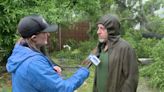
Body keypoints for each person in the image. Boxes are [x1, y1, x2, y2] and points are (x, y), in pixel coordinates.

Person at [6, 14, 90, 92]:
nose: (48, 34)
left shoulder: (21, 51)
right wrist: (83, 72)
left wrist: (49, 69)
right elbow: (63, 88)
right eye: (45, 32)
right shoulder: (34, 63)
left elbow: (32, 77)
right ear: (34, 38)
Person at [92, 14, 139, 92]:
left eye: (102, 28)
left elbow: (131, 79)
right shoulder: (101, 46)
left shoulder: (125, 48)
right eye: (98, 28)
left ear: (111, 30)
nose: (98, 32)